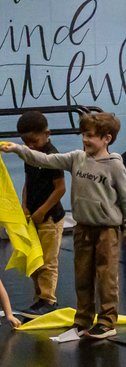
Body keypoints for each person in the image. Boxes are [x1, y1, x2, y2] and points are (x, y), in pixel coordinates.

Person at [2, 112, 126, 338]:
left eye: (91, 136)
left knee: (106, 278)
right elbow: (43, 159)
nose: (85, 139)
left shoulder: (115, 166)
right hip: (83, 228)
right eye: (84, 134)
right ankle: (83, 319)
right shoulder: (76, 158)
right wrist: (17, 149)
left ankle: (107, 321)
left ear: (107, 138)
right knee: (82, 277)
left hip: (106, 230)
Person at [15, 111, 66, 316]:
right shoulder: (29, 154)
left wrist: (42, 211)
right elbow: (27, 184)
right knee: (35, 259)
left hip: (50, 218)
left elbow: (60, 188)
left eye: (34, 141)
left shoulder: (52, 156)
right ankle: (39, 299)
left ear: (47, 134)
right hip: (33, 217)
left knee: (48, 261)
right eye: (25, 142)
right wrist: (25, 207)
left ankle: (48, 300)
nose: (30, 146)